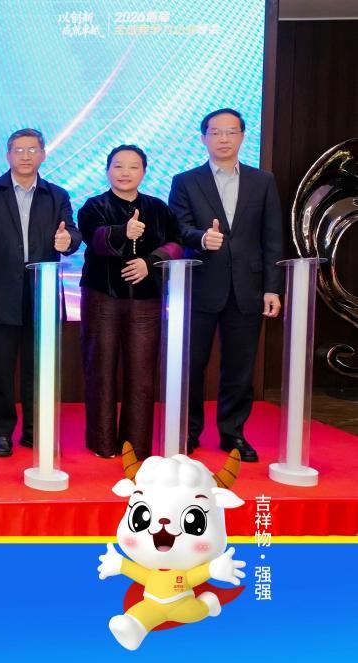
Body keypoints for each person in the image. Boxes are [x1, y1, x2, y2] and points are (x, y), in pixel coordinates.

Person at [170, 108, 284, 462]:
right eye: (216, 132)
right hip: (201, 286)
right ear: (203, 137)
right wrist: (202, 238)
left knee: (240, 367)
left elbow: (273, 238)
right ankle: (187, 432)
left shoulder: (262, 180)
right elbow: (177, 228)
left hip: (248, 288)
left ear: (242, 136)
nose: (223, 139)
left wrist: (272, 288)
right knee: (192, 365)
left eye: (231, 132)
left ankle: (233, 433)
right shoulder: (186, 181)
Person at [0, 128, 82, 458]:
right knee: (0, 368)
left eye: (32, 150)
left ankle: (35, 430)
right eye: (19, 150)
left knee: (39, 368)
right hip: (0, 292)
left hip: (42, 295)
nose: (26, 156)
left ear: (43, 154)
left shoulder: (56, 195)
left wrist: (68, 241)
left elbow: (71, 233)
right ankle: (2, 433)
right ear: (8, 155)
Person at [78, 145, 183, 459]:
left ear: (144, 172)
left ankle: (136, 445)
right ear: (107, 170)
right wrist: (123, 231)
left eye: (133, 166)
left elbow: (177, 244)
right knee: (100, 369)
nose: (125, 172)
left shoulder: (158, 207)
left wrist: (149, 263)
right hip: (102, 297)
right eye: (118, 166)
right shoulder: (93, 205)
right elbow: (94, 239)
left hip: (146, 300)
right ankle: (102, 443)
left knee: (142, 375)